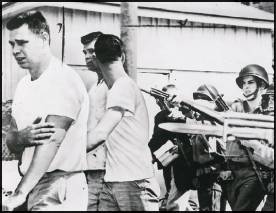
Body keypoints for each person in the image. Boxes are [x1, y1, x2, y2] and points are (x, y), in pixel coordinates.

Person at [3, 11, 89, 211]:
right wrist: (22, 138)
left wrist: (19, 194)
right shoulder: (24, 84)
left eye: (22, 43)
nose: (15, 51)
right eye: (12, 44)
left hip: (57, 185)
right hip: (30, 183)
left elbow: (52, 140)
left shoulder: (63, 79)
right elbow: (11, 140)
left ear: (43, 39)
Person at [86, 34, 160, 211]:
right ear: (123, 57)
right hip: (113, 182)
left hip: (134, 182)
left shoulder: (122, 86)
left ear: (96, 59)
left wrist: (61, 151)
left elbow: (100, 133)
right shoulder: (115, 87)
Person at [221, 64, 270, 211]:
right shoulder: (234, 107)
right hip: (230, 173)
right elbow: (209, 107)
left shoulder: (268, 113)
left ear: (261, 85)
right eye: (243, 83)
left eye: (250, 82)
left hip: (253, 171)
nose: (245, 87)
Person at [148, 84, 198, 211]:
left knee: (175, 201)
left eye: (174, 96)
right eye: (167, 97)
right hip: (169, 161)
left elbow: (196, 133)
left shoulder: (189, 112)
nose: (171, 100)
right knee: (174, 197)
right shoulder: (161, 116)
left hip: (187, 162)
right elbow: (156, 140)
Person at [80, 31, 109, 211]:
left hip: (104, 165)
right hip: (90, 163)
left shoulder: (111, 85)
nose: (88, 57)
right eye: (85, 52)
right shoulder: (95, 86)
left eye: (92, 51)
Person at [191, 84, 227, 211]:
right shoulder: (198, 124)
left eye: (203, 99)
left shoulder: (215, 122)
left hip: (214, 176)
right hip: (204, 177)